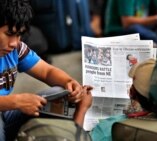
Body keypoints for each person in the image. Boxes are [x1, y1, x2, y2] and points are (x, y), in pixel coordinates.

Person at [0, 0, 93, 140]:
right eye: (9, 33)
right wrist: (16, 101)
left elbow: (46, 72)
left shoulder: (16, 49)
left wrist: (71, 83)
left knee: (61, 94)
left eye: (19, 35)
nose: (14, 42)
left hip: (6, 114)